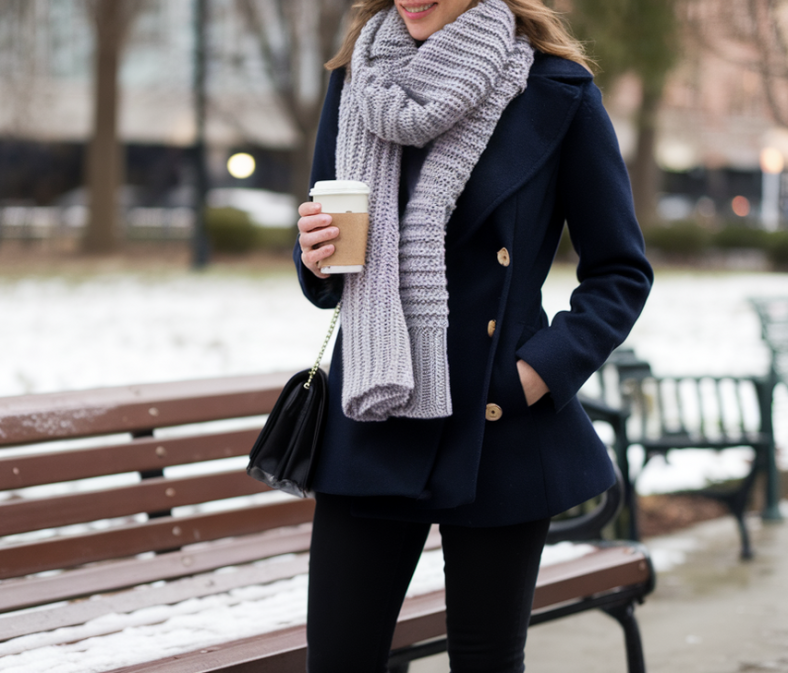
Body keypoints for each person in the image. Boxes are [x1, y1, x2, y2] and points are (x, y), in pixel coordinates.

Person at [292, 1, 654, 671]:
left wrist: (533, 374)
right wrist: (314, 255)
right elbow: (329, 264)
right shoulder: (358, 80)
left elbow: (620, 273)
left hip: (496, 427)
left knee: (487, 661)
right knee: (339, 659)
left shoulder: (556, 92)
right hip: (377, 407)